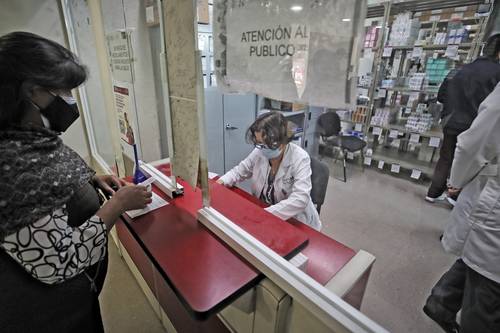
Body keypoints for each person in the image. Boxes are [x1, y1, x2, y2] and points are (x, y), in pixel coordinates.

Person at [0, 32, 152, 332]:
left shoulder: (27, 137)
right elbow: (60, 259)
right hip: (47, 315)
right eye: (64, 91)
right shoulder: (9, 168)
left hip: (80, 294)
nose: (70, 101)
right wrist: (118, 205)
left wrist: (89, 178)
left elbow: (51, 169)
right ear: (32, 92)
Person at [423, 81, 500, 333]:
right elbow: (473, 144)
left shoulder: (462, 73)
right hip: (490, 194)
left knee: (478, 261)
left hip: (452, 124)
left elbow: (443, 95)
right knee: (487, 290)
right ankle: (442, 303)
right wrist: (456, 182)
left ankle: (441, 302)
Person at [425, 34, 500, 204]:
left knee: (446, 156)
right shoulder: (497, 73)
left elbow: (441, 95)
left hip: (450, 120)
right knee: (470, 160)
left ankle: (433, 192)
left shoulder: (459, 69)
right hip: (475, 123)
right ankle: (455, 195)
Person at [217, 111, 321, 230]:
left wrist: (264, 214)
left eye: (262, 144)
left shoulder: (300, 158)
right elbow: (239, 171)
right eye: (257, 142)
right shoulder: (260, 152)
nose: (259, 148)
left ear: (281, 144)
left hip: (296, 222)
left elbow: (300, 199)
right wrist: (220, 182)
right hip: (268, 217)